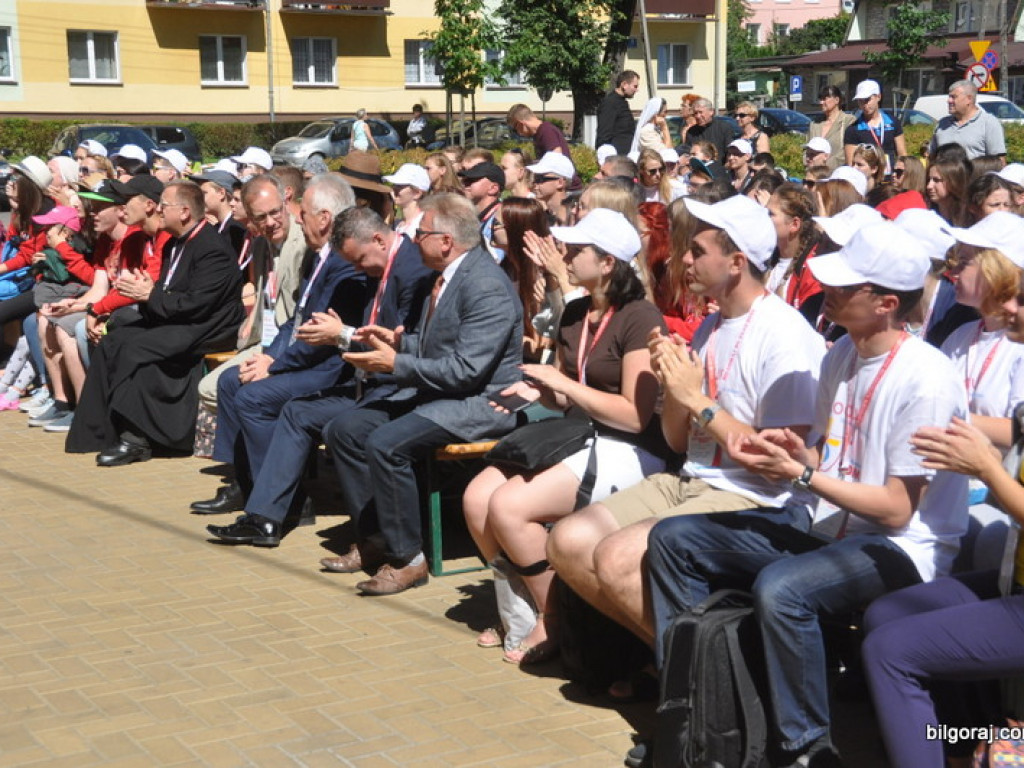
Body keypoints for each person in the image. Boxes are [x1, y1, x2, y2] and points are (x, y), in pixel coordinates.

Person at [644, 220, 969, 767]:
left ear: (887, 302)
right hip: (829, 525)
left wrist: (800, 474)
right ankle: (693, 712)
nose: (828, 292)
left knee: (783, 588)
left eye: (845, 287)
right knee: (674, 539)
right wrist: (799, 453)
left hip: (906, 548)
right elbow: (834, 459)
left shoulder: (926, 377)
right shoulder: (842, 352)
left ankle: (807, 749)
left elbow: (895, 509)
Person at [546, 194, 826, 667]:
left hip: (756, 495)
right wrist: (673, 385)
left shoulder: (786, 336)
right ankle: (695, 673)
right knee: (567, 542)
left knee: (616, 557)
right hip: (693, 480)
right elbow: (678, 442)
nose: (683, 260)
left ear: (736, 262)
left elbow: (780, 467)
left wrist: (696, 398)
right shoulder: (710, 326)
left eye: (697, 251)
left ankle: (699, 681)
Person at [463, 208, 666, 664]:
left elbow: (635, 415)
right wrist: (533, 390)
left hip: (631, 447)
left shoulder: (640, 317)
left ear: (609, 262)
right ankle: (528, 613)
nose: (566, 256)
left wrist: (565, 388)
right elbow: (561, 392)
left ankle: (553, 619)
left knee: (509, 506)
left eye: (577, 250)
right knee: (478, 498)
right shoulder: (575, 311)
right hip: (581, 435)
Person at [300, 193, 524, 595]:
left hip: (480, 403)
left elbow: (466, 372)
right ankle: (375, 539)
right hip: (441, 393)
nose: (411, 239)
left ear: (446, 241)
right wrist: (399, 343)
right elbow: (439, 350)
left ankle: (409, 558)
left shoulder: (486, 285)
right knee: (344, 430)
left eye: (419, 234)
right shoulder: (445, 276)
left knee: (387, 443)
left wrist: (394, 364)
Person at [862, 269, 1024, 766]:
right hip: (1013, 580)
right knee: (886, 612)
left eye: (1022, 299)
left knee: (890, 650)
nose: (1009, 307)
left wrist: (986, 469)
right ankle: (957, 750)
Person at [204, 206, 433, 538]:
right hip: (364, 378)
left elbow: (404, 345)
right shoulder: (375, 268)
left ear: (379, 240)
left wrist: (340, 335)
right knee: (295, 412)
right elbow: (305, 322)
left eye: (359, 260)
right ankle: (265, 517)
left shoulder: (412, 271)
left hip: (391, 387)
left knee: (281, 406)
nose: (357, 268)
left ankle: (375, 537)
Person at [192, 173, 367, 512]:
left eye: (282, 213)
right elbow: (293, 320)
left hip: (328, 365)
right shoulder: (315, 254)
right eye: (261, 217)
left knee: (252, 395)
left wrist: (275, 364)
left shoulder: (336, 262)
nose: (277, 222)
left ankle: (283, 497)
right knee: (232, 380)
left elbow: (317, 332)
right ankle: (245, 482)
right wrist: (271, 357)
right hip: (289, 348)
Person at [65, 180, 244, 465]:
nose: (159, 210)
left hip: (210, 326)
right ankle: (101, 430)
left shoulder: (212, 249)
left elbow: (197, 304)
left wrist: (151, 294)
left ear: (184, 212)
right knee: (115, 337)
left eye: (165, 206)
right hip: (179, 316)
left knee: (137, 348)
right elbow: (171, 292)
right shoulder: (176, 242)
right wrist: (150, 292)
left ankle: (137, 440)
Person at [506, 103, 582, 190]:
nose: (518, 133)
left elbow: (556, 159)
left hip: (566, 189)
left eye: (515, 129)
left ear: (520, 123)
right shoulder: (539, 133)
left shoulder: (546, 131)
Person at [929, 80, 1006, 162]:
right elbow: (931, 158)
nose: (949, 101)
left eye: (953, 97)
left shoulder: (988, 123)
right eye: (949, 97)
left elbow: (999, 161)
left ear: (969, 99)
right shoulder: (942, 124)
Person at [844, 79, 905, 177]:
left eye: (868, 100)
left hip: (890, 179)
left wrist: (900, 175)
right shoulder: (853, 129)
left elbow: (902, 154)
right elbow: (851, 163)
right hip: (867, 180)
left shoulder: (893, 123)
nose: (864, 105)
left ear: (878, 97)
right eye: (860, 101)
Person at [809, 85, 856, 171]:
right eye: (820, 99)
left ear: (837, 100)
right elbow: (807, 151)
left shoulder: (848, 121)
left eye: (825, 99)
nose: (821, 102)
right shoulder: (815, 124)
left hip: (838, 174)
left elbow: (846, 152)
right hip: (816, 174)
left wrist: (824, 164)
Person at [596, 70, 640, 155]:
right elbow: (604, 133)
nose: (637, 90)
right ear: (624, 85)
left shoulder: (622, 102)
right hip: (616, 157)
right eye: (635, 86)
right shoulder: (610, 103)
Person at [383, 163, 430, 239]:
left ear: (417, 193)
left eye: (400, 186)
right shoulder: (398, 225)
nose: (394, 188)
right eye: (394, 185)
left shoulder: (421, 226)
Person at [684, 98, 737, 165]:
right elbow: (687, 151)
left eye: (700, 112)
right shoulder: (691, 132)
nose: (698, 116)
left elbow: (730, 151)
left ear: (711, 111)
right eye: (695, 113)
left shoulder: (723, 127)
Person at [528, 152, 575, 226]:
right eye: (535, 178)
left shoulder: (573, 218)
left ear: (560, 183)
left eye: (540, 179)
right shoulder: (541, 216)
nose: (534, 184)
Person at [927, 155, 971, 226]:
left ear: (953, 182)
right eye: (928, 180)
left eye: (936, 180)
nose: (929, 186)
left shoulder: (970, 217)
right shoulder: (927, 216)